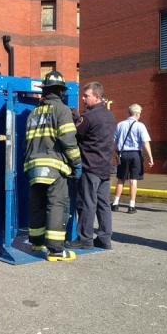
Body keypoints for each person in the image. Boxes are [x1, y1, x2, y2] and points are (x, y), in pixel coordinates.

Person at [24, 71, 81, 262]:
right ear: (61, 91)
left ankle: (37, 242)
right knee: (56, 205)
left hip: (33, 166)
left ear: (45, 91)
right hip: (55, 167)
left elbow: (28, 142)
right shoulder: (62, 110)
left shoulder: (33, 113)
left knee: (37, 205)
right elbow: (68, 140)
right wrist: (77, 163)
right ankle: (56, 250)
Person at [66, 82, 116, 250]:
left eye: (86, 96)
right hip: (105, 167)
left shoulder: (88, 117)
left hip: (90, 166)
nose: (83, 98)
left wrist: (74, 118)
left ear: (97, 96)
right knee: (103, 203)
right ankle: (104, 238)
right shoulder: (110, 115)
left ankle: (85, 239)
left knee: (88, 202)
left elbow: (75, 134)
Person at [111, 104, 154, 213]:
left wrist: (115, 154)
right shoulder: (140, 126)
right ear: (137, 114)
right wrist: (150, 157)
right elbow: (145, 142)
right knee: (133, 180)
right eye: (140, 114)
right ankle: (131, 205)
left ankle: (115, 203)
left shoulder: (120, 125)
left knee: (121, 178)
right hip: (135, 154)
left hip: (122, 154)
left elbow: (114, 141)